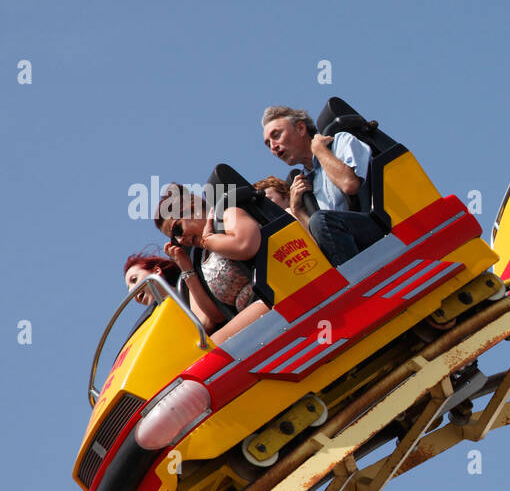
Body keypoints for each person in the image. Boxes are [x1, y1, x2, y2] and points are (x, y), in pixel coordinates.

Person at [261, 106, 383, 264]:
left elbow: (349, 184)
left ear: (300, 128)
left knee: (320, 219)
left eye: (276, 135)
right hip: (348, 248)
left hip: (378, 228)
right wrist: (298, 211)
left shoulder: (340, 141)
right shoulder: (304, 186)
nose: (273, 146)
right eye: (268, 144)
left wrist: (318, 149)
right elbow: (322, 243)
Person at [153, 183, 270, 344]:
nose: (181, 240)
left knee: (214, 346)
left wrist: (209, 240)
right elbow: (217, 315)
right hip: (251, 312)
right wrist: (187, 269)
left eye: (177, 230)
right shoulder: (199, 258)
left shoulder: (227, 214)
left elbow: (246, 245)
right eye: (174, 240)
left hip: (273, 294)